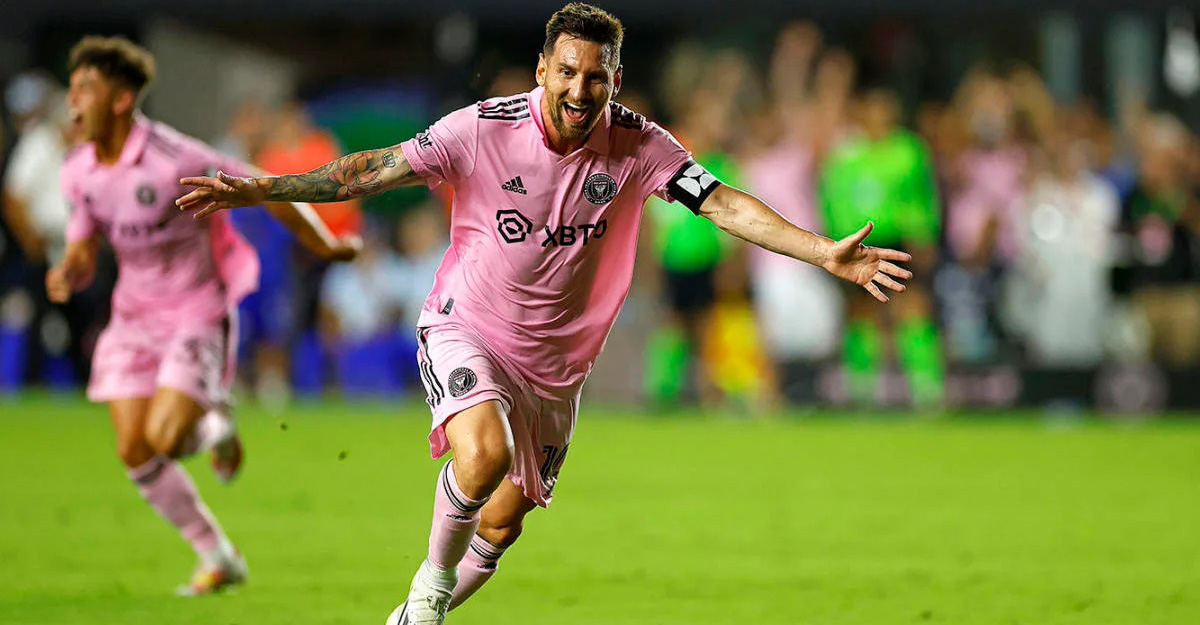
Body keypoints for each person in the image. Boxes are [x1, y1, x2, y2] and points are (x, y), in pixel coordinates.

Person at [177, 4, 911, 622]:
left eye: (597, 76)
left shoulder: (639, 144)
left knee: (501, 524)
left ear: (614, 79)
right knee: (483, 456)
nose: (580, 89)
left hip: (556, 369)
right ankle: (428, 594)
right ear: (542, 70)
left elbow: (720, 202)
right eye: (567, 71)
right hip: (468, 325)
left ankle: (409, 619)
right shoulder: (483, 128)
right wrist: (267, 188)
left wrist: (822, 252)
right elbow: (369, 170)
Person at [49, 36, 359, 595]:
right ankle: (219, 555)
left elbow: (265, 188)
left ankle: (214, 421)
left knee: (166, 439)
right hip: (132, 319)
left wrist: (326, 245)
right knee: (134, 450)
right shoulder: (78, 169)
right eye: (71, 89)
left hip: (196, 312)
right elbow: (84, 236)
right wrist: (70, 266)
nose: (72, 101)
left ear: (121, 99)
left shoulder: (176, 159)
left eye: (84, 89)